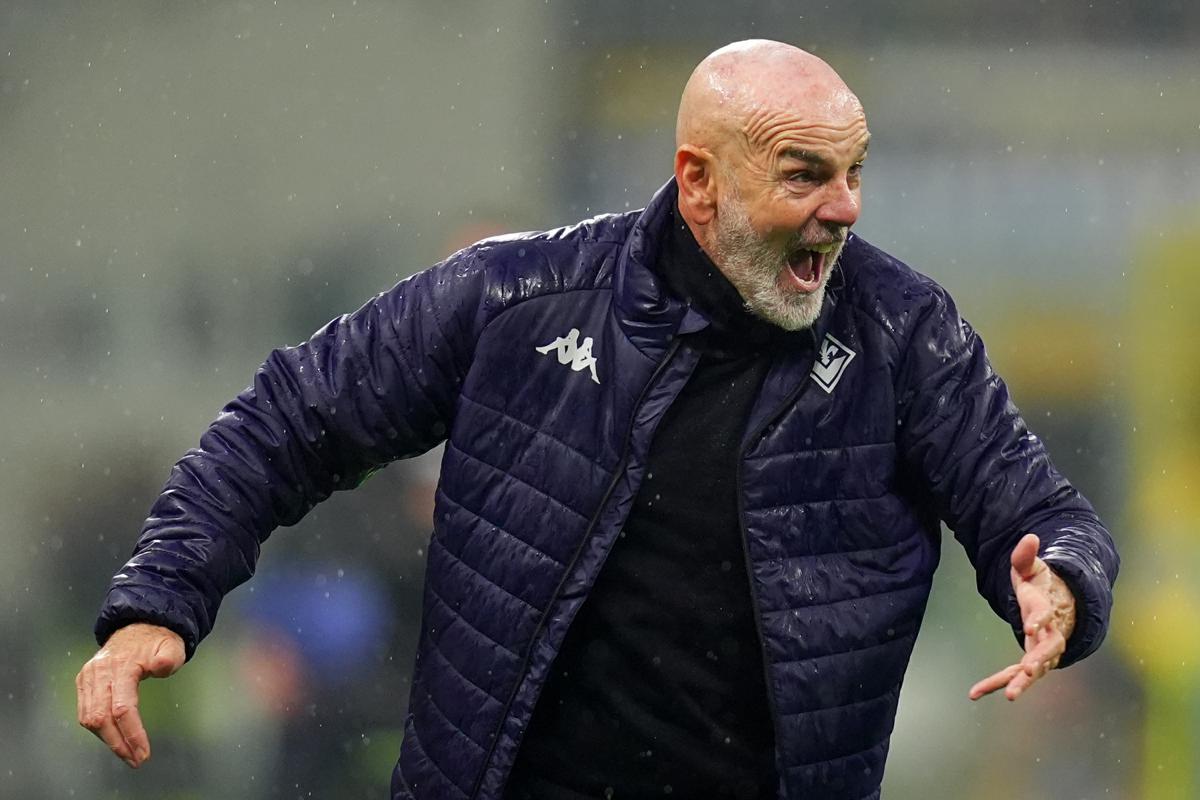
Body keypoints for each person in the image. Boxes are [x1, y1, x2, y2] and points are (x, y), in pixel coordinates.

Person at [76, 40, 1119, 800]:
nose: (844, 206)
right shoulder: (516, 299)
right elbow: (285, 418)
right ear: (699, 182)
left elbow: (1036, 510)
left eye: (854, 172)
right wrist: (157, 601)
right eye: (805, 174)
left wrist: (1060, 580)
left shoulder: (905, 333)